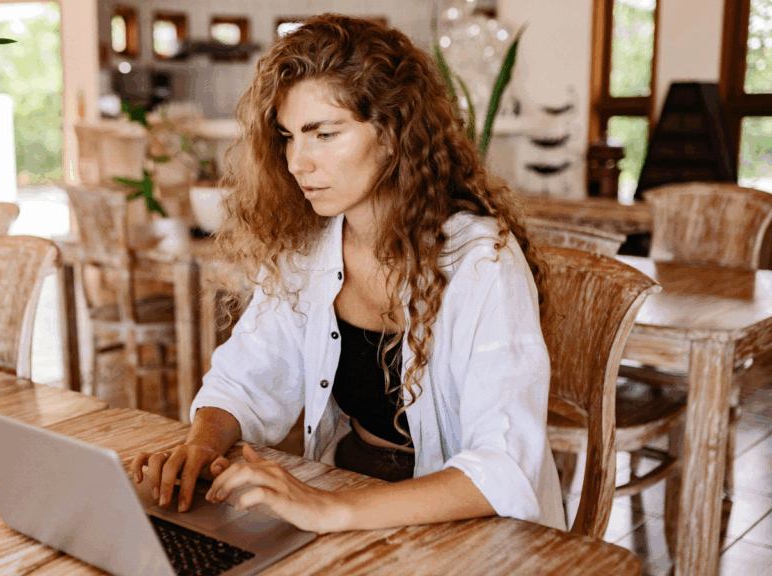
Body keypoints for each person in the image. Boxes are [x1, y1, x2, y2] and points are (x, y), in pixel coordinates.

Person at [132, 13, 565, 533]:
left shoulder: (481, 262)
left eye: (324, 134)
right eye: (289, 136)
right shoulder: (310, 246)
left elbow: (504, 467)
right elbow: (244, 378)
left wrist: (330, 510)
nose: (297, 162)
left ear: (392, 132)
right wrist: (199, 448)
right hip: (353, 489)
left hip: (464, 522)